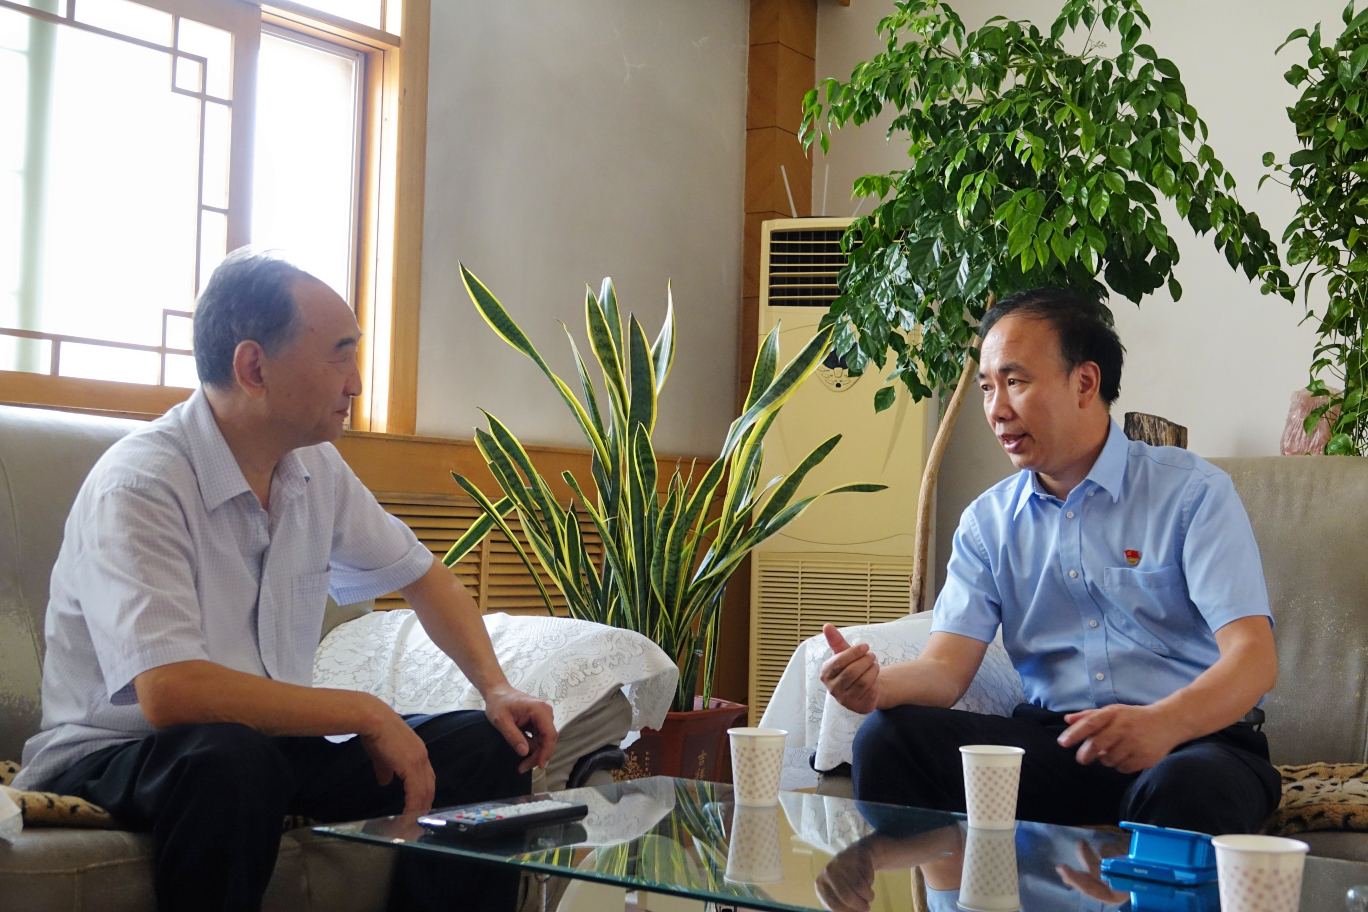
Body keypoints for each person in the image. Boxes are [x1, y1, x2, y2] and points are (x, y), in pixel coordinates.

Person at [12, 248, 558, 912]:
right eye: (339, 356)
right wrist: (362, 711)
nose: (356, 383)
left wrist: (496, 687)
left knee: (485, 749)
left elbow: (424, 576)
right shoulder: (142, 483)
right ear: (254, 368)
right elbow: (171, 692)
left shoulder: (314, 470)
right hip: (120, 755)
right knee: (231, 760)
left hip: (264, 751)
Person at [819, 286, 1281, 836]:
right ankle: (944, 881)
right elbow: (945, 669)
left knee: (1187, 788)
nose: (996, 409)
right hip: (1056, 748)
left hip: (1191, 743)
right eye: (987, 387)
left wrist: (1164, 722)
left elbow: (1253, 658)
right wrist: (878, 688)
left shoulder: (1192, 494)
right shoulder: (987, 523)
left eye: (1015, 382)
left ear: (1084, 383)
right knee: (889, 739)